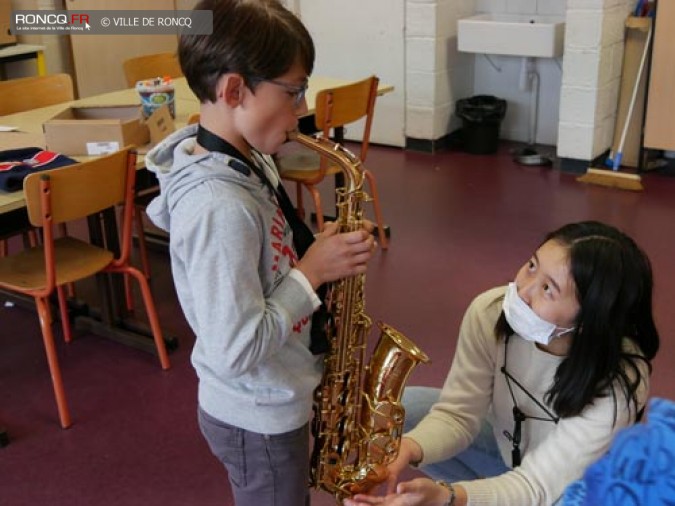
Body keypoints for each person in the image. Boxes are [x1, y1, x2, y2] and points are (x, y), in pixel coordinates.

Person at [144, 1, 377, 505]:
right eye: (293, 92)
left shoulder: (248, 159)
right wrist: (311, 274)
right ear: (233, 90)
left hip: (276, 393)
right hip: (258, 415)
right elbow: (234, 350)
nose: (301, 110)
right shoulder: (218, 205)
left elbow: (265, 262)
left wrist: (317, 249)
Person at [344, 221, 659, 506]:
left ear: (589, 320)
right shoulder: (490, 311)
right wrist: (408, 449)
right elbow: (457, 415)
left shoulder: (618, 381)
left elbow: (538, 485)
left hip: (572, 487)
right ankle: (492, 493)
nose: (523, 291)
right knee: (409, 411)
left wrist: (450, 498)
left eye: (548, 289)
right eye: (532, 266)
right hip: (510, 454)